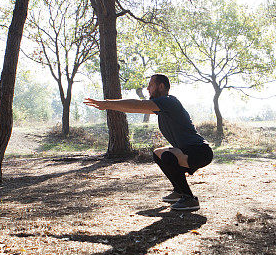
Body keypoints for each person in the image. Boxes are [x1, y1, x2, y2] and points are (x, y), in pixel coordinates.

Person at [84, 74, 213, 212]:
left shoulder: (169, 101)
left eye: (151, 85)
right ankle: (179, 191)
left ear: (161, 86)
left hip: (200, 152)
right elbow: (136, 108)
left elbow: (137, 104)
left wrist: (107, 103)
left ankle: (189, 199)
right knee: (158, 153)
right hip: (190, 151)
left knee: (168, 156)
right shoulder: (163, 109)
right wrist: (109, 106)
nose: (147, 88)